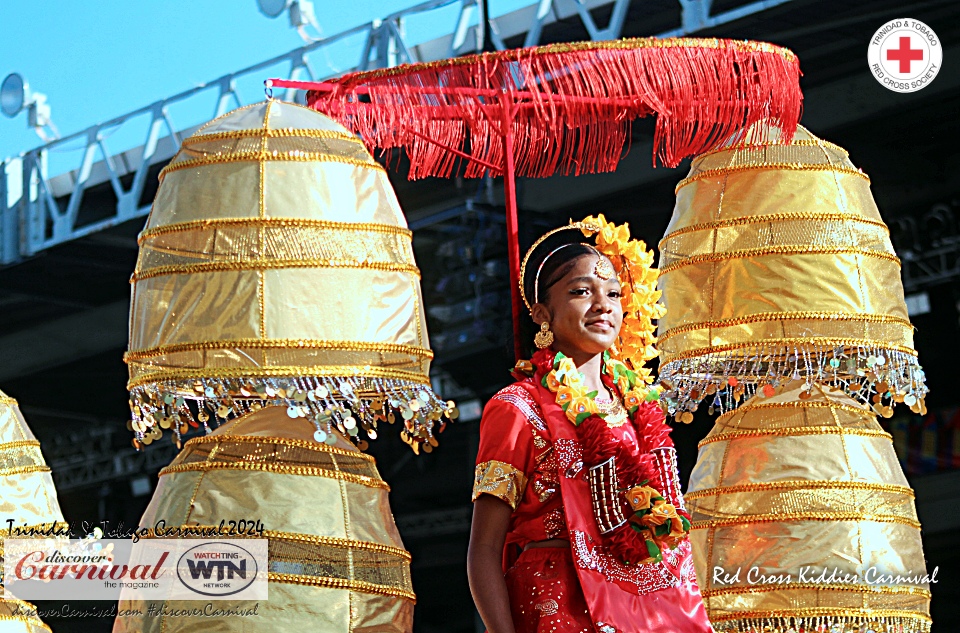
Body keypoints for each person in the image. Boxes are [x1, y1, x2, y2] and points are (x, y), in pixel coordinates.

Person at [467, 216, 713, 633]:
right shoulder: (517, 408)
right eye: (582, 292)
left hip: (657, 609)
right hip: (560, 605)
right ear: (543, 313)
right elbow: (484, 549)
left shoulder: (640, 407)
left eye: (614, 293)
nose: (603, 305)